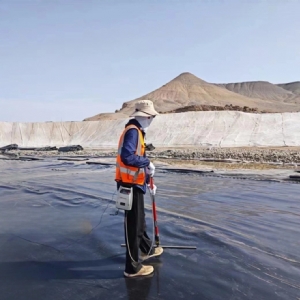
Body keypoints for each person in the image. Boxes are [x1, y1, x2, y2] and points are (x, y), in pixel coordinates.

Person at [115, 99, 163, 278]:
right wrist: (147, 162)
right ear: (146, 116)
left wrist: (148, 180)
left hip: (136, 183)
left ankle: (146, 249)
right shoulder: (133, 132)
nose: (151, 120)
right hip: (129, 184)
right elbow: (128, 157)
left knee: (140, 221)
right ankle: (132, 267)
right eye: (151, 117)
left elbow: (136, 157)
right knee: (133, 226)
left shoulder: (138, 132)